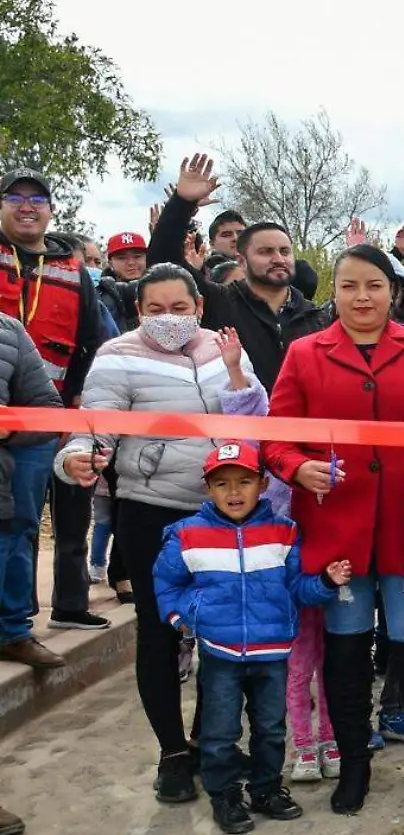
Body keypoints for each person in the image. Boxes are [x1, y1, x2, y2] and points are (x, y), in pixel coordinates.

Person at [263, 244, 404, 816]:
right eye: (349, 286)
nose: (361, 298)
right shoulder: (305, 354)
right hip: (338, 533)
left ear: (392, 291)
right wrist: (296, 467)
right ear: (335, 292)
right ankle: (354, 765)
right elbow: (276, 437)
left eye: (373, 286)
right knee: (347, 654)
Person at [58, 264, 270, 801]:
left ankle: (211, 738)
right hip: (151, 511)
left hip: (223, 512)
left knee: (224, 631)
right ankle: (173, 752)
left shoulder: (226, 349)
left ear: (198, 307)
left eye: (180, 308)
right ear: (138, 311)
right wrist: (79, 456)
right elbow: (94, 425)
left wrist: (237, 373)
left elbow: (255, 412)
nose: (168, 319)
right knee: (158, 632)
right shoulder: (117, 356)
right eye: (155, 309)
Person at [152, 443, 347, 834]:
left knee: (272, 728)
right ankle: (224, 795)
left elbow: (298, 589)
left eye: (244, 481)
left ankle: (266, 788)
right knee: (220, 731)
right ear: (208, 489)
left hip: (272, 654)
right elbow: (166, 584)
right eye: (222, 483)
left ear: (262, 483)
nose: (234, 492)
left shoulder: (284, 533)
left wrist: (326, 582)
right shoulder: (188, 536)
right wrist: (183, 618)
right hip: (220, 655)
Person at [0, 169, 110, 646]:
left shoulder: (73, 270)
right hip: (5, 416)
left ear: (50, 208)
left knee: (63, 517)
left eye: (37, 198)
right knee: (13, 524)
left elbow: (96, 339)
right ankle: (15, 620)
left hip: (56, 417)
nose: (27, 206)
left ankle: (62, 608)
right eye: (16, 197)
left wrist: (84, 393)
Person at [152, 156, 325, 390]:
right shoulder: (219, 301)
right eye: (265, 251)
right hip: (235, 423)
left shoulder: (317, 318)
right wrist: (182, 203)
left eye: (285, 251)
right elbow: (163, 263)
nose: (278, 259)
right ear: (241, 261)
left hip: (302, 426)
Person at [0, 312, 64, 679]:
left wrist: (10, 428)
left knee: (16, 531)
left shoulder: (9, 331)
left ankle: (12, 632)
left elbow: (48, 412)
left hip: (7, 467)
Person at [97, 231, 148, 332]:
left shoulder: (161, 287)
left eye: (137, 256)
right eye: (122, 258)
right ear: (110, 263)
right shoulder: (98, 293)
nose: (131, 263)